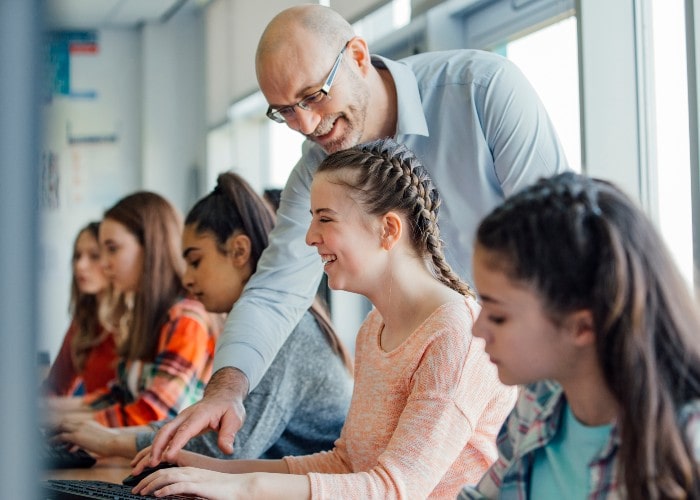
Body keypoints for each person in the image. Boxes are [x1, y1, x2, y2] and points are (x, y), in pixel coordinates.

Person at [150, 3, 568, 463]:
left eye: (313, 96)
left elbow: (556, 250)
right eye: (285, 111)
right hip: (442, 391)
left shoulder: (483, 91)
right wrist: (224, 391)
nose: (306, 126)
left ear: (358, 56)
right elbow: (274, 290)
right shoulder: (317, 166)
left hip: (535, 371)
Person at [132, 138, 516, 499]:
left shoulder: (457, 335)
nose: (309, 237)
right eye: (312, 218)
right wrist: (212, 471)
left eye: (326, 219)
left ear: (389, 229)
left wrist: (245, 489)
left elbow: (395, 490)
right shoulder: (375, 329)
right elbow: (346, 463)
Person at [55, 172, 353, 460]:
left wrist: (110, 441)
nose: (187, 279)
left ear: (239, 251)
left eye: (196, 261)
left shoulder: (287, 332)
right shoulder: (251, 329)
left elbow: (227, 447)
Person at [458, 172, 700, 498]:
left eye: (498, 317)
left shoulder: (688, 446)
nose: (477, 329)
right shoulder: (538, 400)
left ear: (582, 327)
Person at [49, 191, 219, 428]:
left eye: (112, 249)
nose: (105, 263)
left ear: (150, 247)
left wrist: (66, 426)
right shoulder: (148, 316)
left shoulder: (186, 320)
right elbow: (117, 396)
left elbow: (152, 414)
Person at [42, 221, 118, 396]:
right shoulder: (84, 320)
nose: (80, 266)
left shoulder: (134, 323)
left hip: (119, 421)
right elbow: (55, 387)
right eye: (77, 256)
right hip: (86, 417)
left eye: (94, 256)